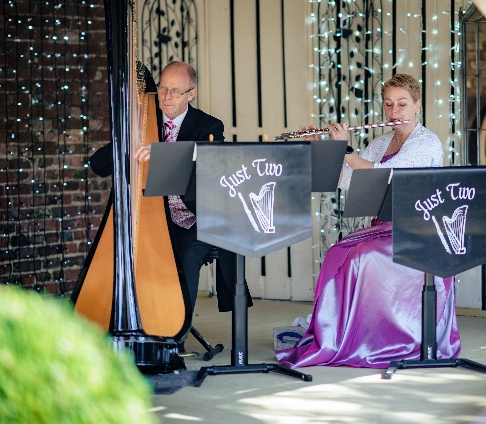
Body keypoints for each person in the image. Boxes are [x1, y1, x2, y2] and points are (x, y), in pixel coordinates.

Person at [276, 74, 460, 368]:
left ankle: (374, 339)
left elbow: (382, 175)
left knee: (362, 256)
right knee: (340, 253)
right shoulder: (381, 142)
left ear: (417, 106)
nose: (394, 112)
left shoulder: (427, 143)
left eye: (402, 104)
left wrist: (345, 150)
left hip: (417, 231)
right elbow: (345, 180)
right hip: (384, 229)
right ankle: (347, 336)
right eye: (389, 105)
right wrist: (320, 146)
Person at [89, 61, 251, 351]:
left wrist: (165, 152)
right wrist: (125, 139)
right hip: (155, 219)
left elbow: (216, 157)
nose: (167, 97)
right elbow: (98, 166)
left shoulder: (208, 125)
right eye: (163, 89)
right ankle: (136, 326)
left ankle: (174, 337)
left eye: (175, 92)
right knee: (129, 251)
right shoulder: (142, 122)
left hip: (196, 219)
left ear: (191, 93)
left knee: (186, 254)